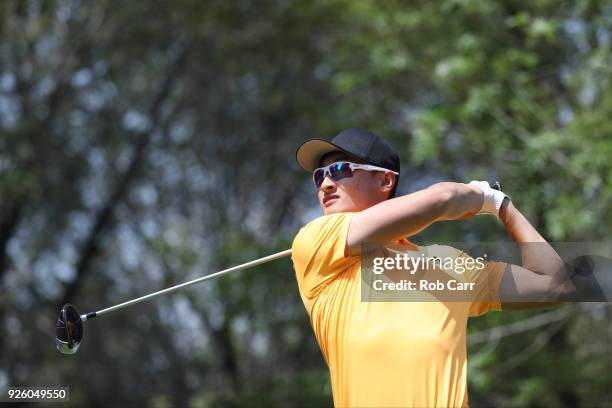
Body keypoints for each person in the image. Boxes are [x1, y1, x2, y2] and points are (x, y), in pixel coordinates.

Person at [291, 129, 573, 407]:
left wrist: (503, 206)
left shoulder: (448, 266)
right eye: (319, 175)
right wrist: (480, 196)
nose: (325, 184)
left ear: (385, 180)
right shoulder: (316, 245)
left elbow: (557, 286)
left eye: (340, 169)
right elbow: (443, 198)